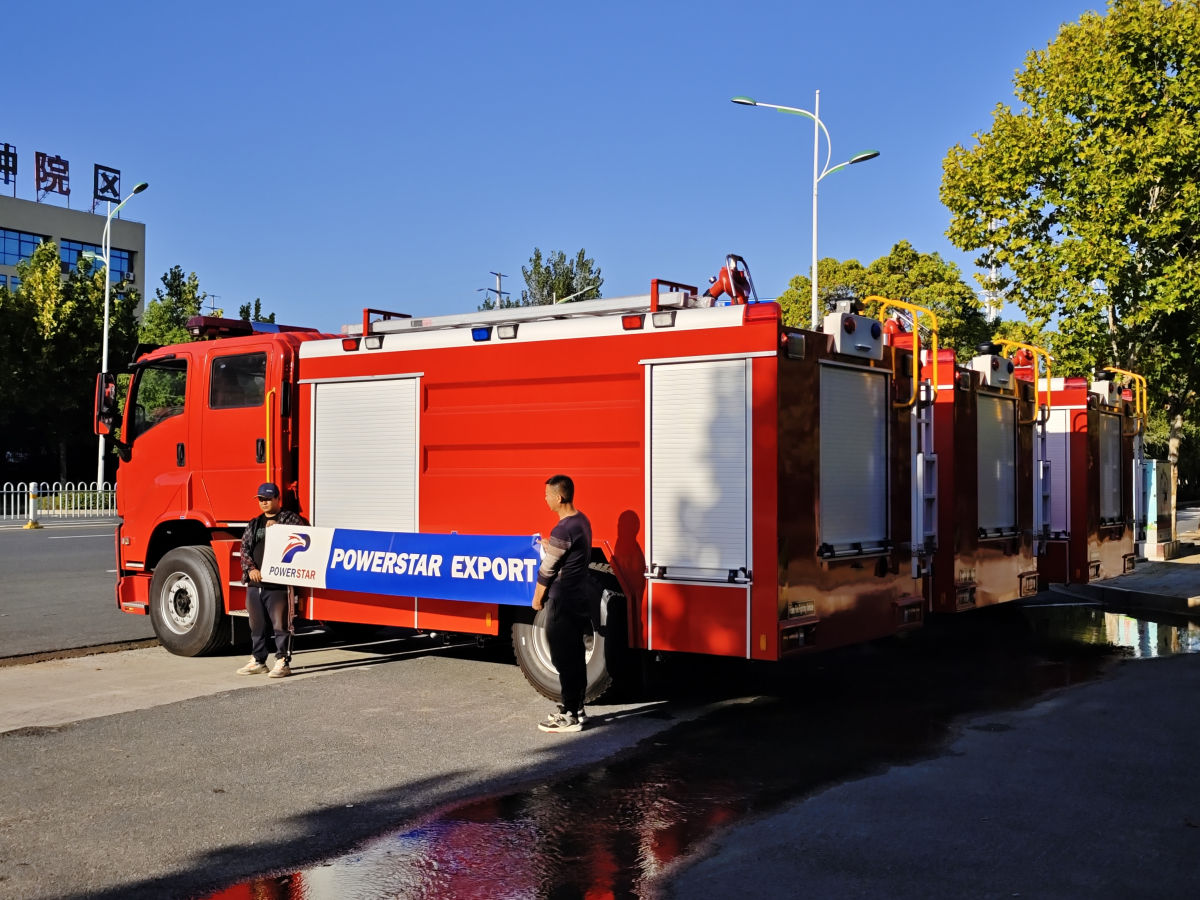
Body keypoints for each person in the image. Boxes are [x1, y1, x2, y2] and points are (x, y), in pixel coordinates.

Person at [532, 474, 594, 733]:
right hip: (579, 597)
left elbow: (548, 570)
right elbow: (567, 554)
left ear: (559, 497)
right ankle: (577, 709)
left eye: (547, 495)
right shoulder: (582, 521)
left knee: (563, 658)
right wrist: (551, 545)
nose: (545, 499)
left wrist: (537, 599)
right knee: (576, 655)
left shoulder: (563, 529)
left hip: (562, 601)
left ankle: (568, 714)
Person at [236, 482, 308, 678]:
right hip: (255, 583)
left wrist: (281, 528)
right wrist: (251, 569)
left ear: (277, 499)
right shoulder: (255, 523)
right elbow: (244, 549)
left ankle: (283, 660)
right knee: (256, 625)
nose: (264, 502)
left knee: (281, 624)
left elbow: (304, 537)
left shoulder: (290, 518)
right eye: (261, 499)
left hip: (278, 584)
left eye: (268, 498)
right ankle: (258, 660)